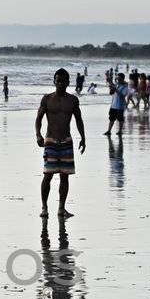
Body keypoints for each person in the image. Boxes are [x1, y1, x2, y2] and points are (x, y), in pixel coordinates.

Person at [35, 68, 85, 219]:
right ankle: (44, 207)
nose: (60, 83)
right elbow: (38, 118)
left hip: (66, 141)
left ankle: (61, 208)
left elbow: (78, 119)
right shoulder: (47, 99)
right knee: (48, 175)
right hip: (50, 141)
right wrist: (38, 135)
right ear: (54, 81)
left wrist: (83, 137)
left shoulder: (73, 100)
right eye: (58, 81)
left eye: (63, 81)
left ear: (68, 82)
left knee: (65, 176)